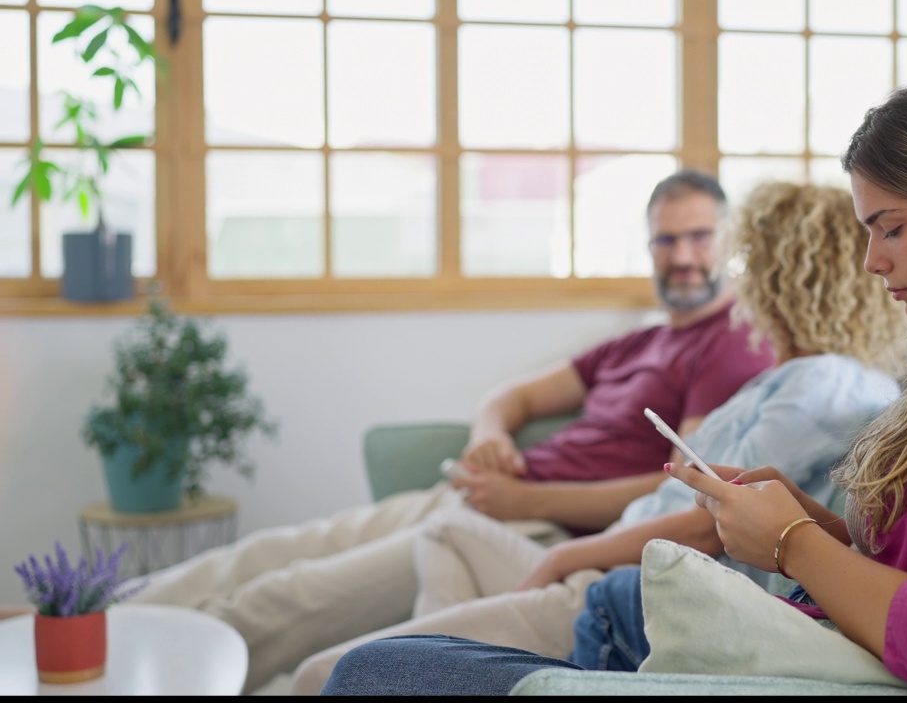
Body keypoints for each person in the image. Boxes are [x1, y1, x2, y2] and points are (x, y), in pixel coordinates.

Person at [317, 69, 907, 697]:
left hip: (802, 657)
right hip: (794, 637)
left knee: (371, 672)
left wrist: (791, 547)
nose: (871, 260)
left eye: (891, 227)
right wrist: (805, 520)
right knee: (384, 663)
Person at [126, 168, 776, 694]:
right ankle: (91, 615)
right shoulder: (638, 342)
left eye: (698, 237)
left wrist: (528, 502)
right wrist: (486, 438)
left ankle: (130, 666)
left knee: (287, 596)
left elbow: (675, 484)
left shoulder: (728, 348)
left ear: (728, 242)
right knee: (271, 551)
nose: (683, 256)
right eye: (666, 240)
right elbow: (512, 397)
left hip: (527, 525)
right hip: (479, 496)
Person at [288, 180, 907, 694]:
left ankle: (438, 663)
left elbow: (712, 518)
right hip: (607, 560)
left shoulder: (822, 385)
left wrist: (567, 555)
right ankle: (442, 663)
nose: (734, 279)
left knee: (325, 674)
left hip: (622, 582)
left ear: (785, 278)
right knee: (445, 535)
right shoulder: (783, 378)